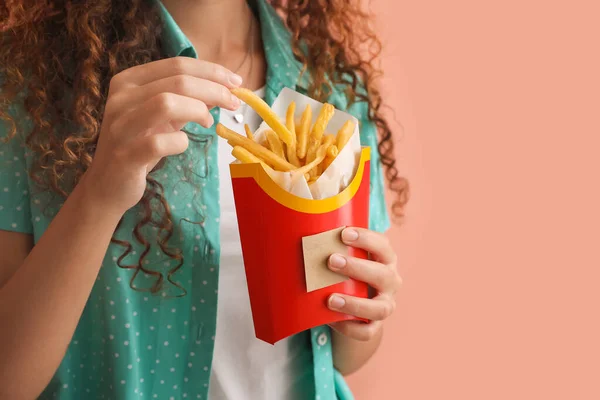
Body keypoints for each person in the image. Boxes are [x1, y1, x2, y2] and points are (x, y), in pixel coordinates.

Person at [0, 0, 409, 399]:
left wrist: (363, 320)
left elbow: (341, 352)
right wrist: (99, 194)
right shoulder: (27, 93)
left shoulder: (332, 87)